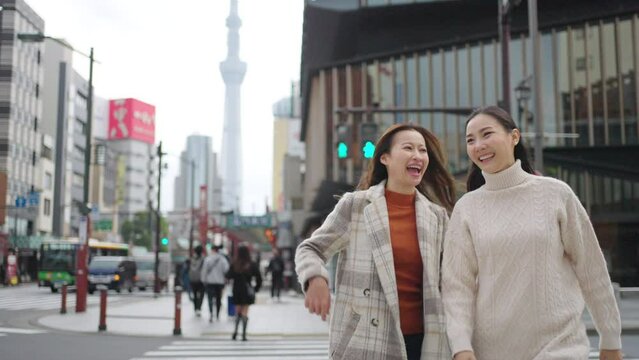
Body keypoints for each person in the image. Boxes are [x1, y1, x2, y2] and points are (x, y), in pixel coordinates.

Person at [441, 106, 623, 360]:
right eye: (471, 140)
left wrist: (611, 339)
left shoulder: (556, 194)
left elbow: (591, 269)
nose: (478, 145)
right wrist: (461, 346)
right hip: (492, 351)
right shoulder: (467, 208)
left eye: (487, 134)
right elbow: (457, 287)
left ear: (514, 137)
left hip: (560, 347)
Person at [296, 124, 456, 360]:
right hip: (366, 341)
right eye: (408, 148)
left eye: (423, 151)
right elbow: (311, 248)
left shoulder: (437, 216)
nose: (418, 156)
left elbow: (453, 280)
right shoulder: (356, 206)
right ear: (385, 158)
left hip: (425, 344)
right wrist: (315, 278)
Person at [226, 245, 262, 341]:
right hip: (247, 291)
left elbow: (228, 276)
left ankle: (235, 332)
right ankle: (243, 335)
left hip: (237, 290)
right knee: (245, 311)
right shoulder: (251, 264)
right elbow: (259, 278)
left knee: (238, 311)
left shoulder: (235, 263)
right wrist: (256, 288)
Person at [201, 245, 230, 322]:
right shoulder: (223, 260)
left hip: (210, 282)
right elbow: (226, 270)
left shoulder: (208, 259)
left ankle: (211, 314)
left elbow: (204, 271)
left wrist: (203, 280)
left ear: (212, 250)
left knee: (210, 299)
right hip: (220, 282)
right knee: (218, 299)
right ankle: (217, 315)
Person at [188, 245, 205, 316]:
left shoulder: (192, 258)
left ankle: (195, 308)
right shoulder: (203, 259)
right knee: (201, 294)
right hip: (201, 279)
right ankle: (199, 308)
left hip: (193, 278)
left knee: (195, 294)